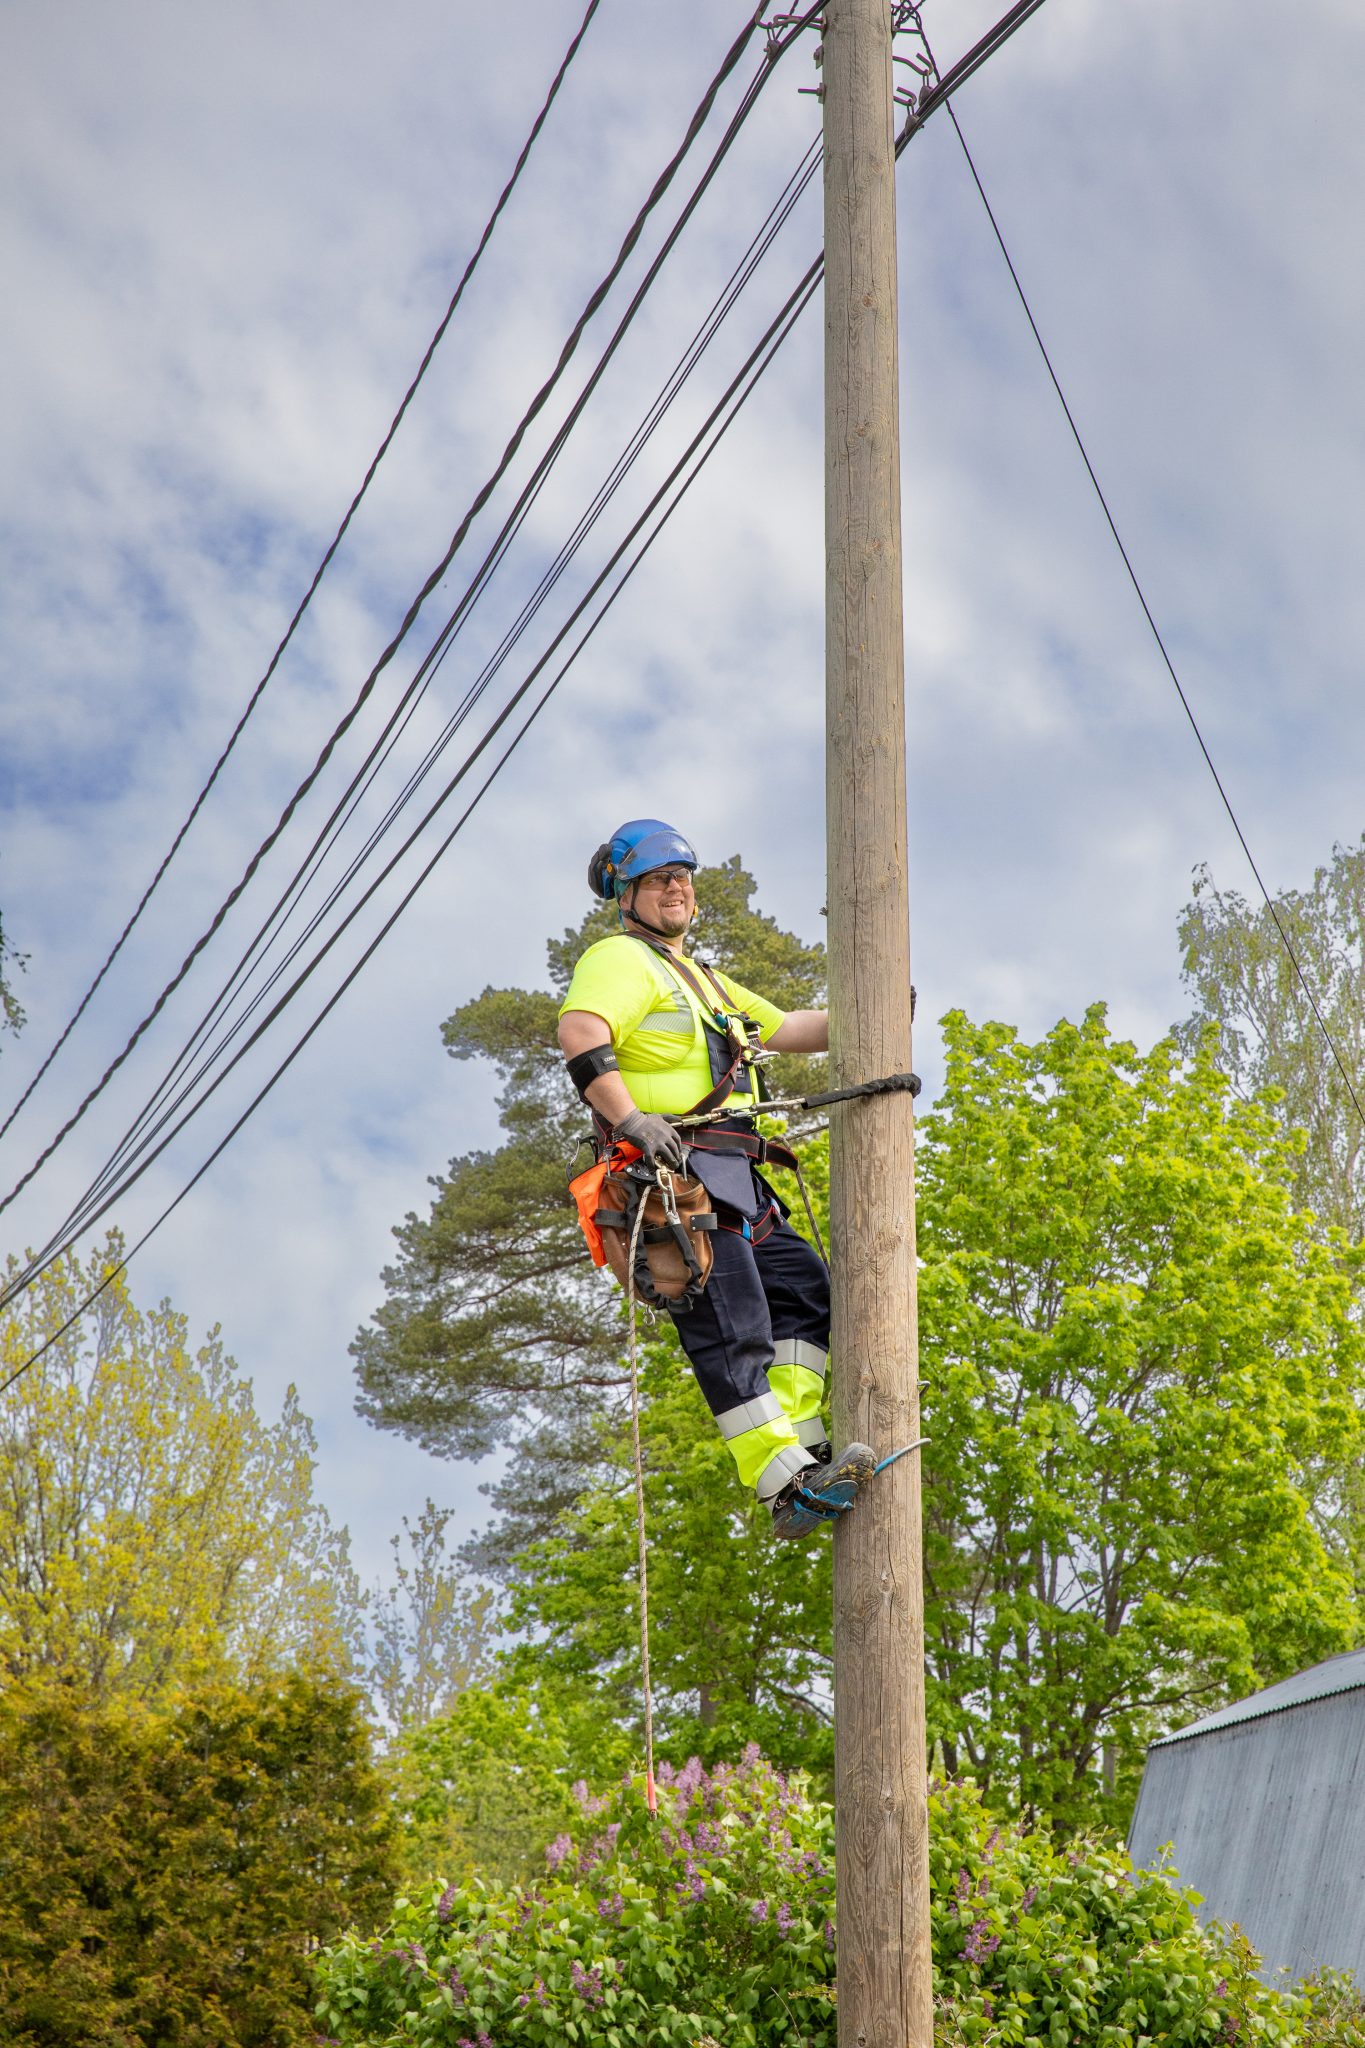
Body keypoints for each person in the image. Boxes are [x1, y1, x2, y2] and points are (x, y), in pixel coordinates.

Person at [557, 817, 875, 1539]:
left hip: (733, 1175)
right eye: (658, 879)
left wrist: (888, 1002)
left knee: (800, 1291)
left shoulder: (701, 979)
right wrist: (630, 1118)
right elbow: (581, 1033)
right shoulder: (619, 959)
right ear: (625, 894)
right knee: (733, 1326)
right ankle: (781, 1482)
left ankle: (804, 1445)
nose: (676, 888)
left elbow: (790, 1029)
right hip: (673, 1175)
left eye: (682, 877)